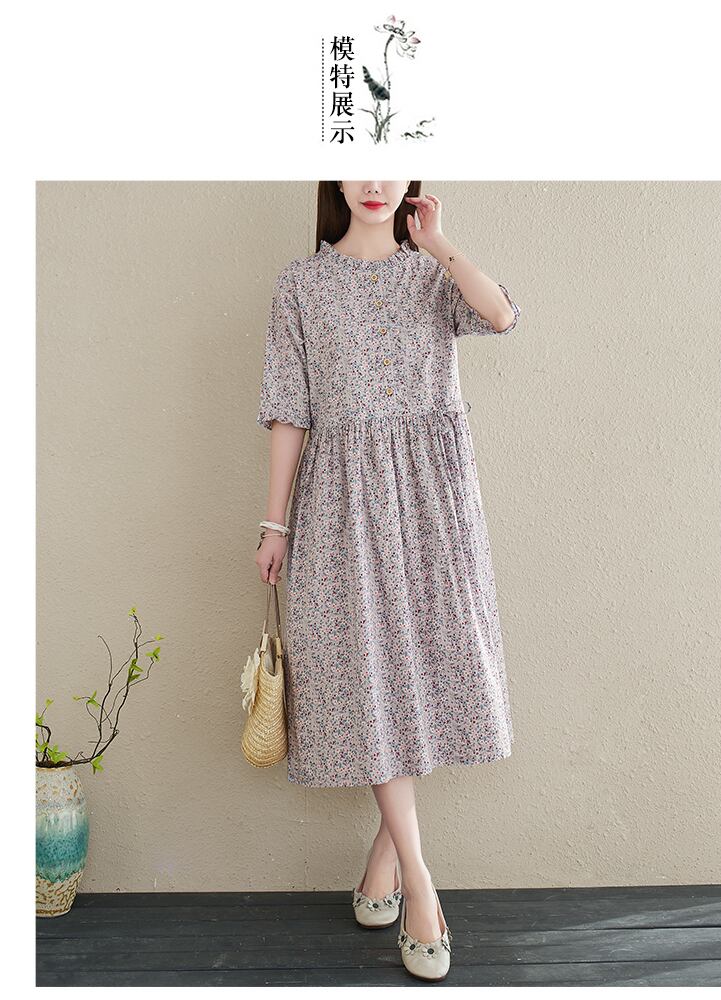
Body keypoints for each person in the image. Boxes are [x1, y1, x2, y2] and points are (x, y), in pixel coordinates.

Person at [254, 180, 520, 982]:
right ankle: (421, 883)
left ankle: (385, 859)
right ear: (335, 179)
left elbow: (501, 315)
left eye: (390, 167)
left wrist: (438, 241)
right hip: (342, 500)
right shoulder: (301, 284)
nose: (374, 183)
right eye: (358, 167)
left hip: (434, 495)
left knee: (428, 671)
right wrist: (274, 523)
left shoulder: (433, 273)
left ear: (410, 181)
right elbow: (289, 410)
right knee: (369, 675)